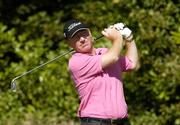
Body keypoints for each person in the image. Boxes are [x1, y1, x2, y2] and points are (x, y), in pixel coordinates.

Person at [63, 19, 138, 125]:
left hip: (122, 121)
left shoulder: (105, 52)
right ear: (69, 43)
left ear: (90, 33)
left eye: (84, 33)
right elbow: (113, 57)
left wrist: (129, 38)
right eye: (75, 37)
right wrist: (117, 37)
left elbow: (132, 64)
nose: (82, 39)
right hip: (95, 122)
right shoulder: (76, 62)